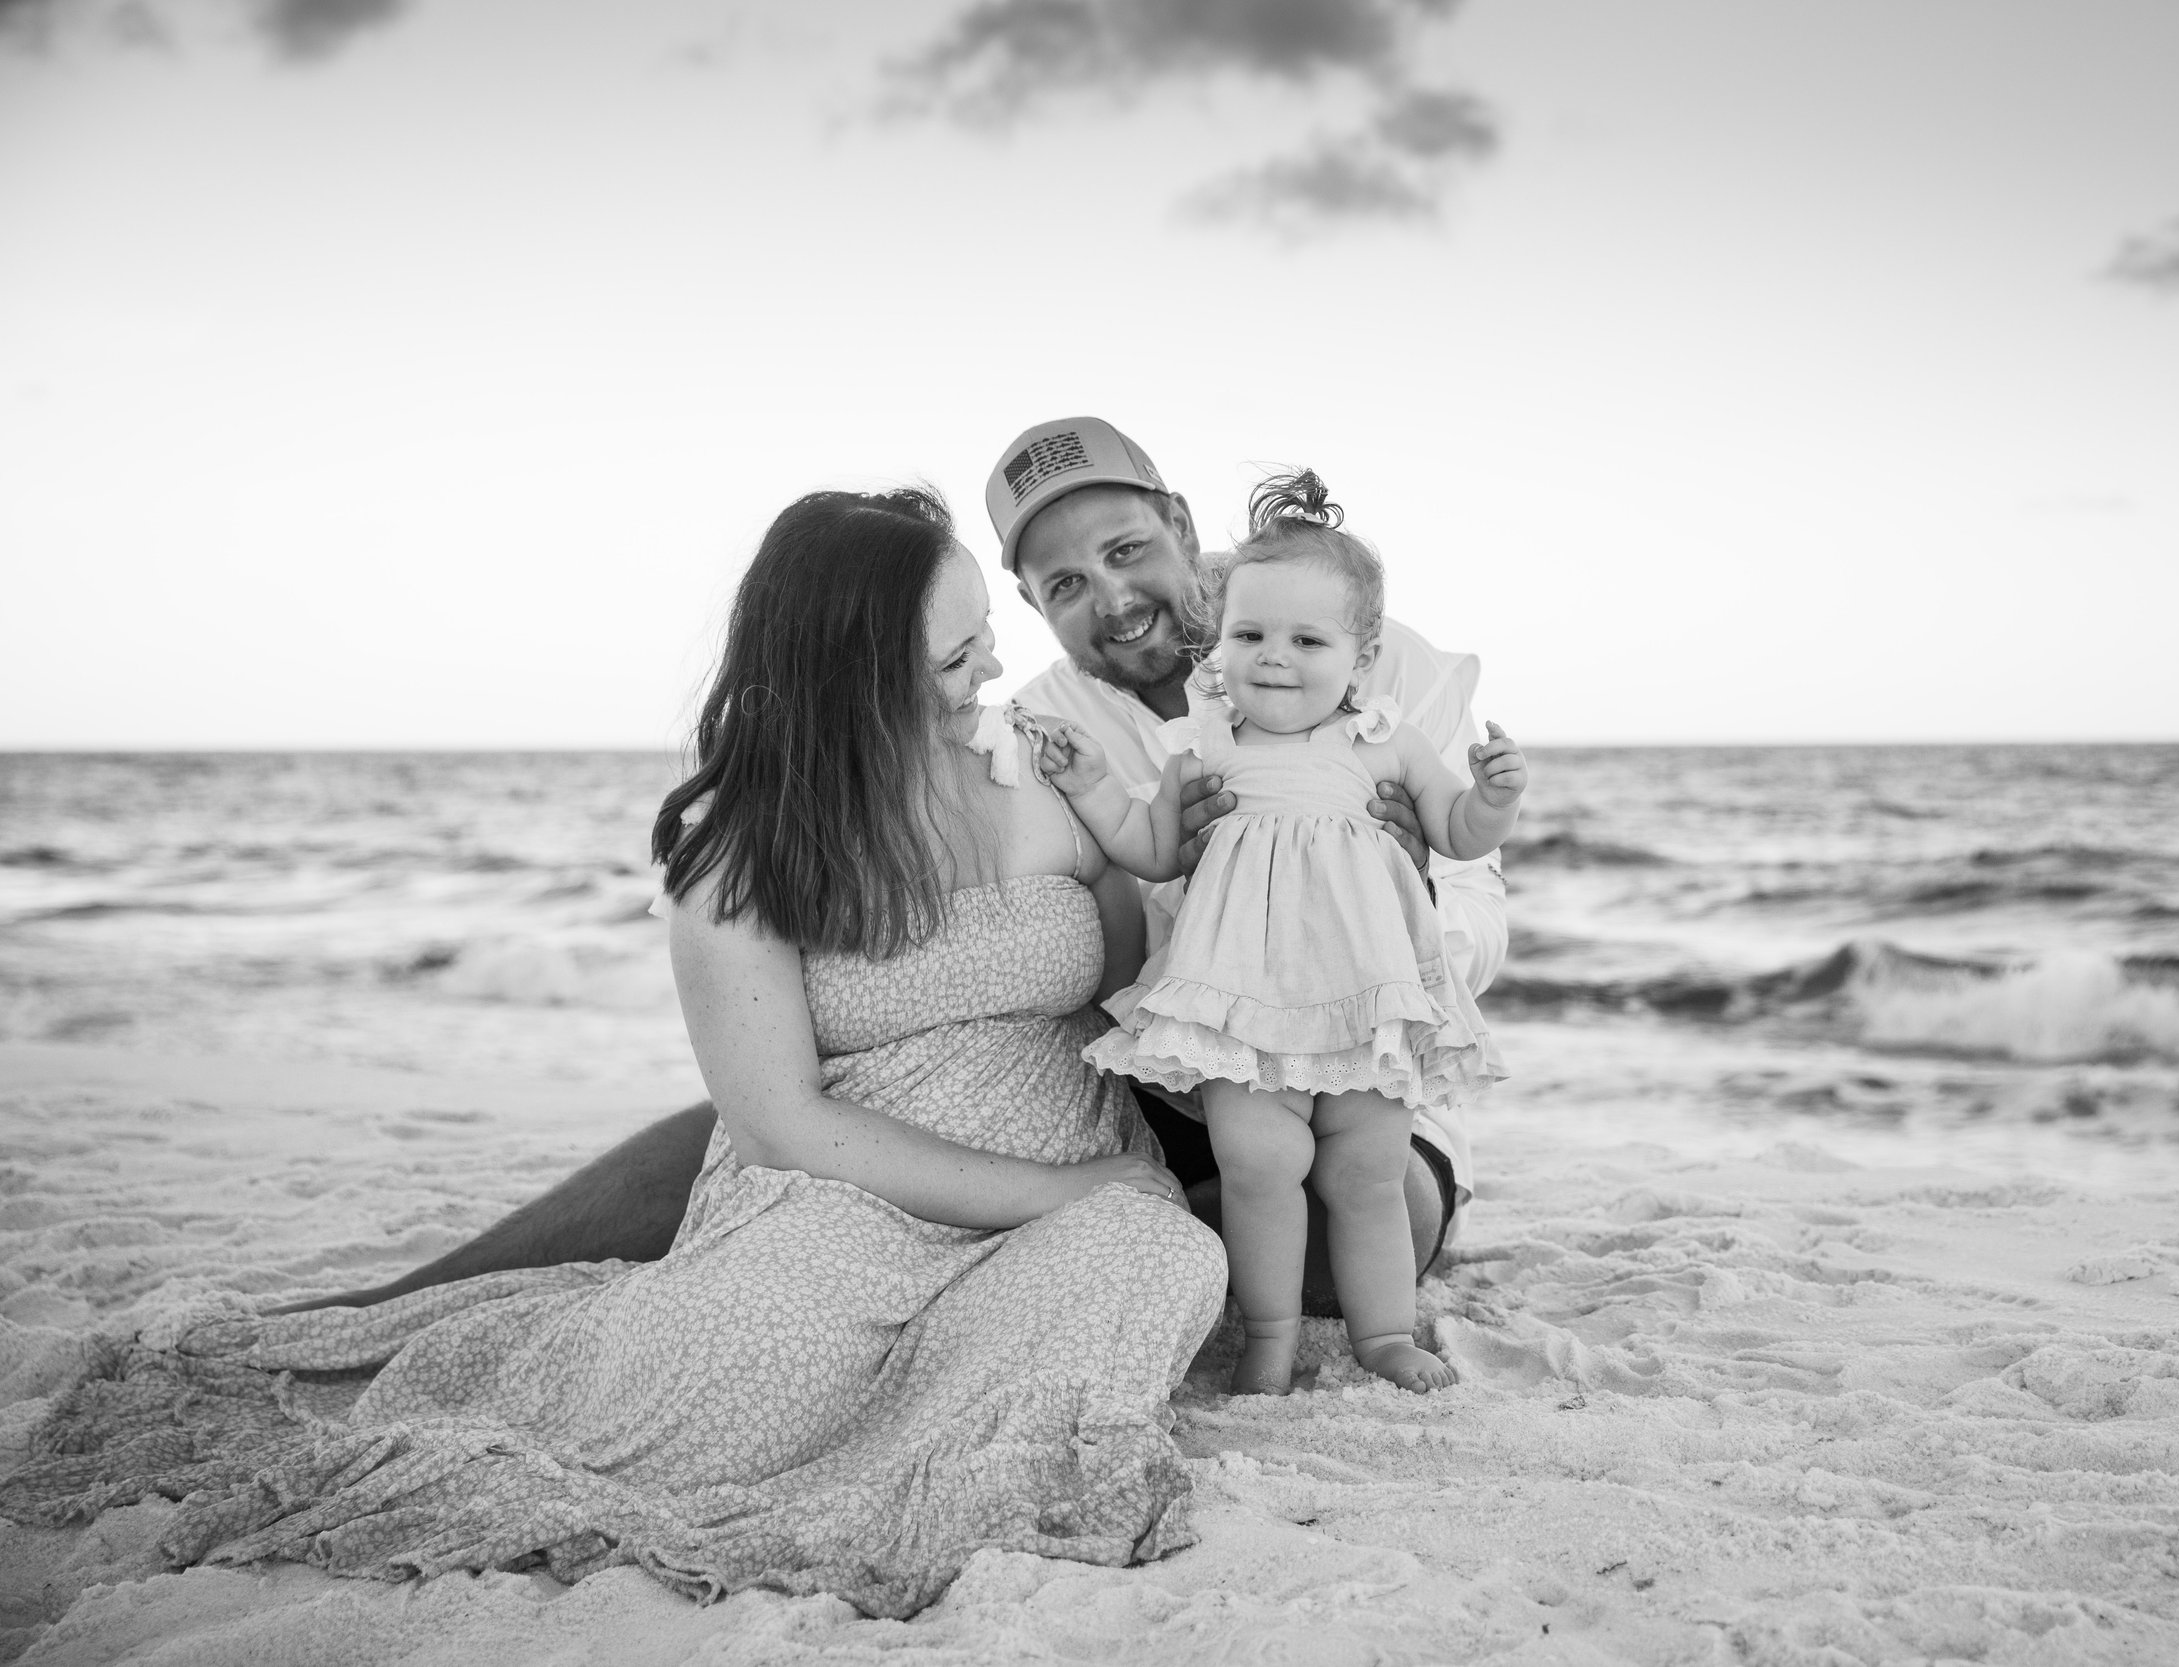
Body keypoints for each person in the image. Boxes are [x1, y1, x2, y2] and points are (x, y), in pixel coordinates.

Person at [1, 490, 1229, 1617]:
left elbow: (1113, 993)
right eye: (954, 652)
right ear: (851, 670)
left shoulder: (1038, 771)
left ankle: (939, 1433)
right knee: (730, 1375)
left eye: (982, 638)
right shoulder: (741, 846)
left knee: (1156, 1257)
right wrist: (1048, 1189)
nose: (994, 667)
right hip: (848, 1187)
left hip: (1075, 1175)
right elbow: (778, 1122)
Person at [293, 415, 1507, 1316]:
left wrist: (1355, 895)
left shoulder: (1354, 655)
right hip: (1141, 1067)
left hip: (1347, 1064)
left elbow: (1479, 926)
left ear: (1183, 527)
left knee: (1371, 1210)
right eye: (1064, 584)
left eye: (1129, 550)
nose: (1115, 600)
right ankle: (431, 1289)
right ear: (1026, 603)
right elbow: (926, 847)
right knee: (762, 1111)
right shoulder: (1037, 723)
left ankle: (1113, 1243)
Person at [1036, 469, 1525, 1396]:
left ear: (1361, 651)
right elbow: (1148, 845)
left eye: (1307, 640)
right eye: (1250, 635)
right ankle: (1267, 1338)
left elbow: (1460, 835)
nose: (1274, 658)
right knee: (1258, 1167)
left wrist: (1494, 796)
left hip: (1359, 1005)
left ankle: (1384, 1335)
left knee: (1369, 1172)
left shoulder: (1384, 742)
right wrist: (1092, 781)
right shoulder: (1206, 746)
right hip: (1243, 1016)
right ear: (1216, 646)